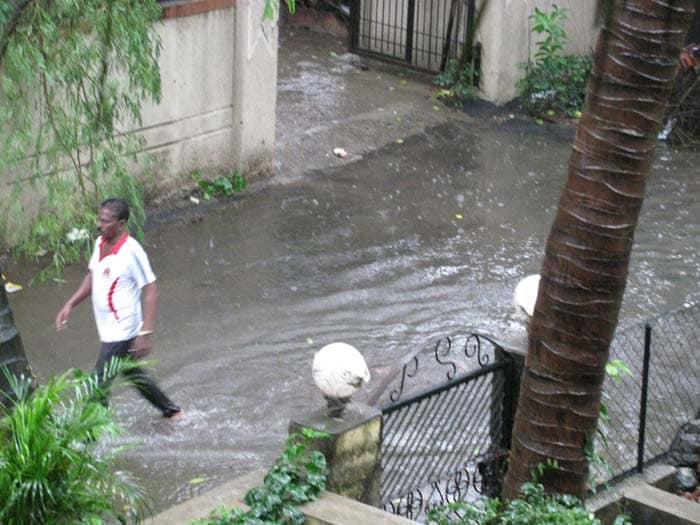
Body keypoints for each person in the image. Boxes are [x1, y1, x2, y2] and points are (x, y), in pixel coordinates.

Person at [56, 197, 183, 420]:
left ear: (121, 223)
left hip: (123, 330)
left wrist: (145, 333)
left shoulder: (132, 251)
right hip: (107, 329)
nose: (99, 224)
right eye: (99, 219)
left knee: (99, 380)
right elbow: (93, 276)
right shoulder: (100, 243)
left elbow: (151, 289)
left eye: (106, 221)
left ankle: (89, 437)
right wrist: (70, 303)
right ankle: (172, 411)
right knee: (132, 372)